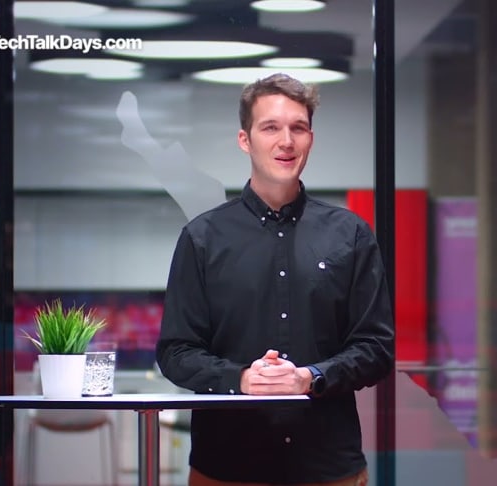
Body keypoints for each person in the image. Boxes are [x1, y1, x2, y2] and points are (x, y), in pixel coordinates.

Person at [156, 73, 395, 486]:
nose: (286, 141)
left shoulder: (351, 234)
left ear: (310, 139)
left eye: (298, 128)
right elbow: (176, 351)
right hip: (227, 468)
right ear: (245, 140)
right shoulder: (202, 238)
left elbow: (376, 348)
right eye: (270, 127)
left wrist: (311, 376)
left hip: (328, 469)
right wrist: (240, 379)